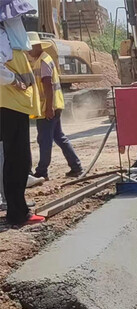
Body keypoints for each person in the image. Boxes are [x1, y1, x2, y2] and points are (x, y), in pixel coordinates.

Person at [27, 32, 83, 180]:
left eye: (30, 47)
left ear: (38, 46)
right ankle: (76, 166)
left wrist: (48, 107)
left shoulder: (43, 61)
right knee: (59, 136)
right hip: (53, 105)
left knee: (44, 139)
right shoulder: (42, 59)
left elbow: (48, 85)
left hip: (49, 107)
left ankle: (42, 171)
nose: (28, 50)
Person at [0, 48, 44, 225]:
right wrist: (14, 81)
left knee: (14, 161)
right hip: (12, 106)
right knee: (18, 161)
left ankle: (16, 210)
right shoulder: (4, 39)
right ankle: (18, 213)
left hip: (13, 106)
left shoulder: (9, 42)